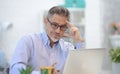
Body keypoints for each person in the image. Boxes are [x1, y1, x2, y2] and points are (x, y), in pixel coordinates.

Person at [9, 6, 83, 74]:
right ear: (45, 22)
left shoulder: (68, 48)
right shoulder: (28, 40)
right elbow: (15, 69)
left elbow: (81, 68)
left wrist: (78, 41)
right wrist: (43, 73)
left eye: (62, 27)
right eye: (54, 25)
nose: (58, 31)